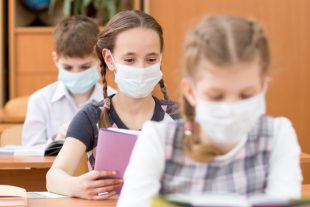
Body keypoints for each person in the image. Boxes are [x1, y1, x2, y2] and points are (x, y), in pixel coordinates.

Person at [117, 15, 302, 206]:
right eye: (216, 96)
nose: (231, 109)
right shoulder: (158, 139)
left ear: (263, 87)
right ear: (191, 91)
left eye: (246, 95)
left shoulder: (277, 135)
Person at [46, 10, 179, 200]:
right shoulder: (91, 117)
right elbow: (53, 177)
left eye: (151, 59)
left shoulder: (177, 116)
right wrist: (76, 186)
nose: (141, 69)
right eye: (130, 60)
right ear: (109, 59)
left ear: (160, 58)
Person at [22, 15, 115, 147]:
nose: (76, 74)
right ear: (56, 59)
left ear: (100, 58)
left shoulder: (114, 100)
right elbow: (28, 155)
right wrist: (56, 140)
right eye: (68, 67)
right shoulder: (40, 101)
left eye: (85, 66)